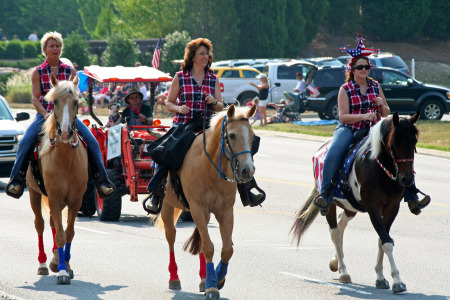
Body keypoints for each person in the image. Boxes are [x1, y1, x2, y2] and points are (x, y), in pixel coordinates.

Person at [144, 38, 265, 214]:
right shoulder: (180, 77)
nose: (205, 57)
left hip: (208, 124)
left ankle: (247, 189)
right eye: (201, 53)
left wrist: (214, 101)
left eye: (207, 54)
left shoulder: (213, 78)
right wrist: (179, 107)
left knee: (241, 145)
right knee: (167, 152)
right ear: (192, 56)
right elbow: (169, 103)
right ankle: (156, 192)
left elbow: (220, 107)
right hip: (184, 124)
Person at [313, 54, 430, 215]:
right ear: (352, 70)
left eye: (366, 67)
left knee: (401, 150)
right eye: (360, 67)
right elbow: (343, 116)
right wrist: (363, 116)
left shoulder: (375, 86)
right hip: (349, 129)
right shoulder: (345, 89)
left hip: (373, 129)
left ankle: (412, 196)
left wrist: (382, 105)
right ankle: (326, 194)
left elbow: (386, 112)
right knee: (333, 153)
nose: (363, 70)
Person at [5, 31, 115, 199]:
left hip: (69, 117)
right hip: (44, 116)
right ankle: (16, 180)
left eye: (57, 46)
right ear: (45, 49)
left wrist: (73, 108)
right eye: (51, 46)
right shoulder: (38, 72)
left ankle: (102, 180)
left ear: (60, 49)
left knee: (92, 141)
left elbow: (76, 96)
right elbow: (35, 99)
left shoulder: (70, 71)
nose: (55, 49)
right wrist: (47, 115)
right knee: (25, 142)